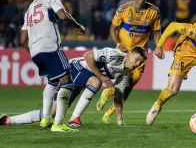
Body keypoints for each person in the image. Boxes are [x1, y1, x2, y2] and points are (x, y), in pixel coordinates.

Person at [0, 46, 147, 127]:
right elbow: (88, 55)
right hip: (74, 68)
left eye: (140, 63)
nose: (137, 64)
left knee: (50, 114)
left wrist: (120, 122)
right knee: (96, 82)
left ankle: (8, 120)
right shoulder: (113, 55)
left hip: (85, 78)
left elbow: (118, 96)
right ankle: (75, 119)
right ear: (129, 54)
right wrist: (102, 77)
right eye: (137, 59)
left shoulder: (126, 73)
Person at [19, 0, 85, 132]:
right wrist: (78, 26)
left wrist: (35, 52)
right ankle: (58, 124)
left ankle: (45, 119)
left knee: (52, 82)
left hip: (36, 51)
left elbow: (22, 39)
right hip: (50, 46)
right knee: (67, 81)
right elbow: (63, 16)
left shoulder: (30, 8)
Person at [97, 0, 161, 124]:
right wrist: (119, 43)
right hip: (122, 54)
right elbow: (112, 30)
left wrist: (159, 46)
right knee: (122, 84)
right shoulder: (123, 9)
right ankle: (109, 99)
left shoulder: (154, 11)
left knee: (129, 87)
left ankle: (108, 112)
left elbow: (157, 32)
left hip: (140, 56)